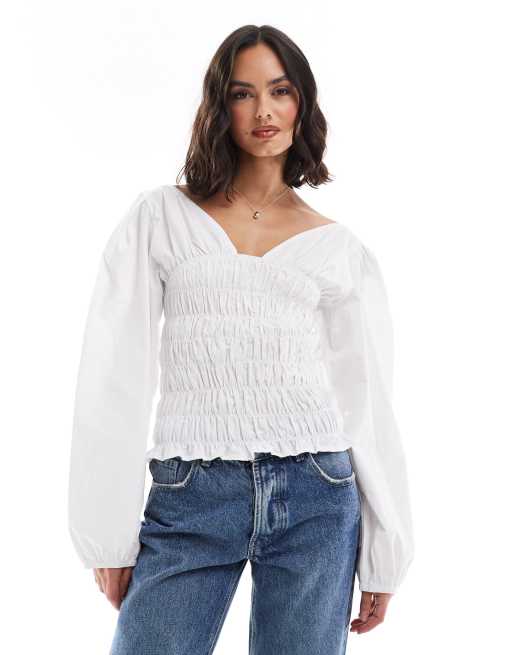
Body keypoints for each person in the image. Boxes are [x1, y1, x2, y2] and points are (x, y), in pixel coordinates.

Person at [68, 24, 414, 655]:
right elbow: (115, 372)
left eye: (280, 91)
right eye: (242, 93)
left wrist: (386, 549)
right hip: (190, 493)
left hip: (317, 494)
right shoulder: (163, 218)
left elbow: (364, 400)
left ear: (301, 102)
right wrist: (106, 533)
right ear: (218, 106)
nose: (263, 112)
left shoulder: (336, 248)